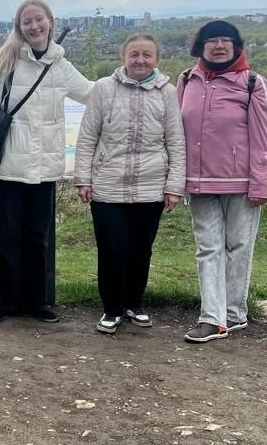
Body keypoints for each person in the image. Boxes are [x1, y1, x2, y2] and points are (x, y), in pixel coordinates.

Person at [0, 0, 92, 323]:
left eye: (38, 20)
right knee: (8, 236)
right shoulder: (7, 61)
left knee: (37, 237)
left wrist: (130, 81)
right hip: (7, 167)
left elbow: (91, 93)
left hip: (44, 169)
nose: (34, 26)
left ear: (50, 21)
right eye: (26, 22)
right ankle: (7, 302)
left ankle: (37, 301)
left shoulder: (60, 66)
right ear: (19, 28)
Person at [74, 34, 186, 334]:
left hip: (151, 185)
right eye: (134, 54)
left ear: (157, 60)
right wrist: (83, 178)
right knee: (112, 249)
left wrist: (174, 185)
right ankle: (111, 309)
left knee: (141, 250)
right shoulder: (104, 89)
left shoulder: (167, 92)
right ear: (123, 58)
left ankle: (134, 304)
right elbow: (87, 137)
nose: (140, 60)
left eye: (147, 55)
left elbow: (176, 141)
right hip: (108, 185)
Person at [177, 19, 267, 343]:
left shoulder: (252, 83)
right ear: (200, 46)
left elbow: (266, 137)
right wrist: (175, 179)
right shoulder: (186, 80)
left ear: (236, 46)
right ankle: (212, 318)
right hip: (199, 182)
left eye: (225, 40)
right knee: (208, 249)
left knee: (239, 247)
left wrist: (262, 184)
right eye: (212, 40)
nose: (219, 46)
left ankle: (234, 314)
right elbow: (175, 134)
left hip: (242, 182)